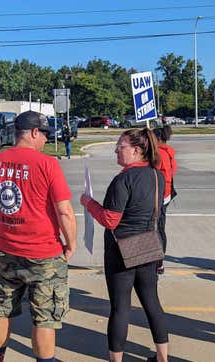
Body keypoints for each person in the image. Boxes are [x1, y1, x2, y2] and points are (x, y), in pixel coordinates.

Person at [0, 111, 77, 362]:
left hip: (7, 250)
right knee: (44, 315)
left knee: (1, 309)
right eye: (44, 134)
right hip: (44, 253)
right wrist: (71, 243)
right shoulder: (47, 164)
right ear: (34, 132)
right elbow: (65, 211)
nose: (46, 140)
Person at [80, 128, 169, 362]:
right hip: (148, 245)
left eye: (120, 147)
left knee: (120, 308)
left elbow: (110, 219)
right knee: (152, 303)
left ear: (136, 150)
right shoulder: (158, 176)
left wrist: (89, 203)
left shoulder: (123, 179)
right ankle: (162, 357)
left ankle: (116, 359)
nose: (116, 150)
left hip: (121, 249)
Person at [152, 126, 177, 275]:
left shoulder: (160, 153)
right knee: (158, 228)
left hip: (159, 196)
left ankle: (159, 262)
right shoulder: (167, 152)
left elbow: (165, 177)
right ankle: (157, 261)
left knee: (158, 229)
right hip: (162, 195)